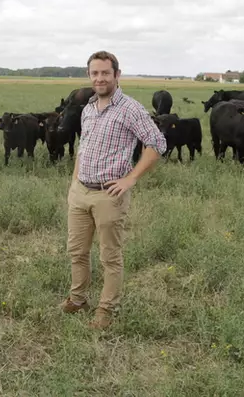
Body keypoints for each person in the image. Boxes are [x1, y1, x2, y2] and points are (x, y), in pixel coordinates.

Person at [60, 50, 167, 330]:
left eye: (105, 73)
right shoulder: (88, 109)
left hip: (110, 195)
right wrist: (74, 183)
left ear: (117, 75)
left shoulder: (130, 109)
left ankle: (106, 310)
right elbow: (83, 148)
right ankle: (78, 298)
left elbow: (157, 143)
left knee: (110, 256)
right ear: (89, 76)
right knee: (77, 251)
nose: (100, 78)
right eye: (95, 73)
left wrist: (130, 179)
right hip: (81, 191)